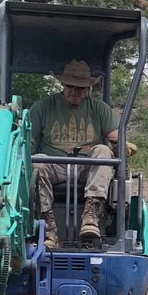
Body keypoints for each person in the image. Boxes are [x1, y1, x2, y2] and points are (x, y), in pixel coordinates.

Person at [25, 60, 120, 242]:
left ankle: (91, 217)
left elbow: (115, 136)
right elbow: (27, 140)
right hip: (55, 166)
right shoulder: (43, 107)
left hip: (88, 167)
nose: (74, 91)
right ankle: (47, 225)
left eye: (80, 88)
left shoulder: (99, 109)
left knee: (103, 150)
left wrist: (120, 143)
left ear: (88, 89)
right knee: (37, 161)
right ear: (62, 84)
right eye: (70, 86)